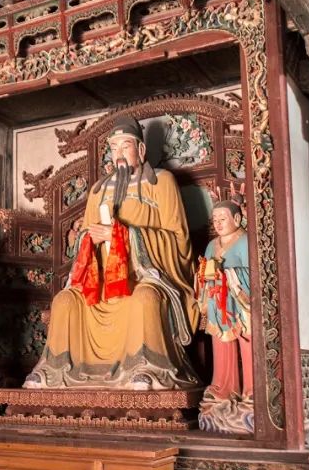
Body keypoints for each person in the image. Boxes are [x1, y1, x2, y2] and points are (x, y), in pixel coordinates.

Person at [23, 116, 201, 390]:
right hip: (101, 279)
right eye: (114, 147)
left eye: (125, 146)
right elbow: (85, 239)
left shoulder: (162, 182)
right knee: (65, 301)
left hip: (142, 276)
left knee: (144, 300)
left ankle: (146, 368)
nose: (118, 154)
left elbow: (179, 241)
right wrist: (91, 238)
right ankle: (53, 371)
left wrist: (125, 235)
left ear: (141, 149)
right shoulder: (99, 190)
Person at [196, 197, 253, 401]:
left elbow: (254, 273)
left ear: (236, 219)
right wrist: (203, 276)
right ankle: (224, 387)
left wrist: (228, 274)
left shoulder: (245, 240)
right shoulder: (212, 244)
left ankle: (251, 389)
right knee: (220, 342)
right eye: (215, 220)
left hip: (240, 302)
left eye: (222, 219)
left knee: (247, 342)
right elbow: (205, 269)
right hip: (217, 301)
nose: (218, 224)